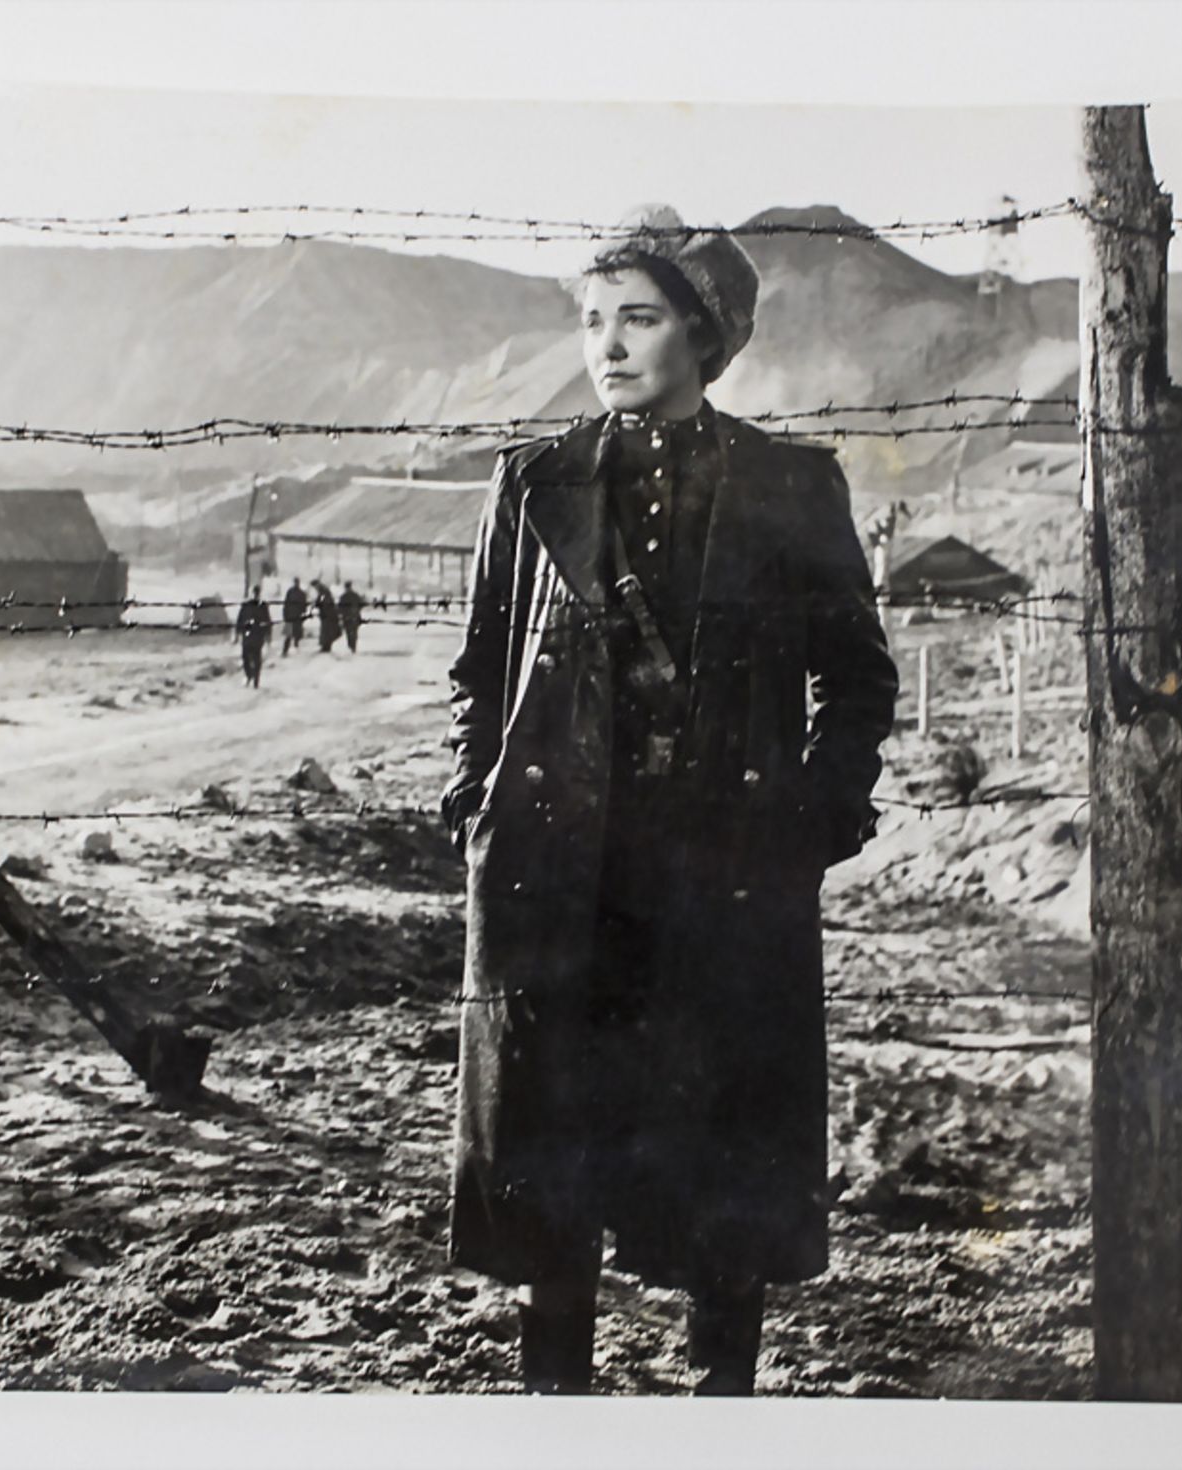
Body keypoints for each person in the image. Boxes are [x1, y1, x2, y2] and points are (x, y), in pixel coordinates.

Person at [439, 205, 898, 1396]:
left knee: (724, 1151)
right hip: (562, 871)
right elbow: (479, 673)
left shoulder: (792, 487)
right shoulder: (534, 483)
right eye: (594, 321)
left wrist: (819, 818)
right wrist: (475, 804)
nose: (610, 345)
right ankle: (560, 1404)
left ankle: (718, 1403)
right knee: (558, 1156)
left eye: (639, 318)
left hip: (722, 873)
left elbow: (855, 675)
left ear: (705, 332)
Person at [234, 585, 272, 688]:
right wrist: (237, 634)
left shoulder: (263, 606)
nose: (255, 595)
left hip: (258, 635)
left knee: (257, 658)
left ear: (259, 594)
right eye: (254, 593)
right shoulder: (245, 605)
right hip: (247, 635)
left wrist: (268, 635)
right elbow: (240, 619)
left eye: (257, 593)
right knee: (245, 657)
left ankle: (256, 679)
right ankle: (249, 674)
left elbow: (267, 621)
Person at [281, 577, 308, 656]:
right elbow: (286, 604)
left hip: (295, 616)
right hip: (291, 616)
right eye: (295, 582)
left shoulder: (300, 593)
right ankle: (285, 650)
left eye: (297, 582)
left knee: (296, 634)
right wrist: (285, 614)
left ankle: (295, 647)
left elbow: (304, 606)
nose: (296, 583)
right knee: (289, 635)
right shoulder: (291, 592)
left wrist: (302, 614)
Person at [337, 580, 366, 653]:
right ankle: (353, 646)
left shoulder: (343, 596)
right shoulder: (355, 595)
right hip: (355, 616)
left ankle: (350, 645)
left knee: (348, 632)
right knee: (354, 631)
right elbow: (361, 604)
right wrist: (357, 610)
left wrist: (341, 614)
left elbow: (340, 607)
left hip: (346, 617)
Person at [313, 578, 341, 653]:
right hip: (328, 614)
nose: (315, 589)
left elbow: (322, 601)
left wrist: (317, 604)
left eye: (315, 587)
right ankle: (326, 646)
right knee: (327, 631)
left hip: (327, 614)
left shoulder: (323, 592)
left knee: (326, 631)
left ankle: (326, 646)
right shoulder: (324, 591)